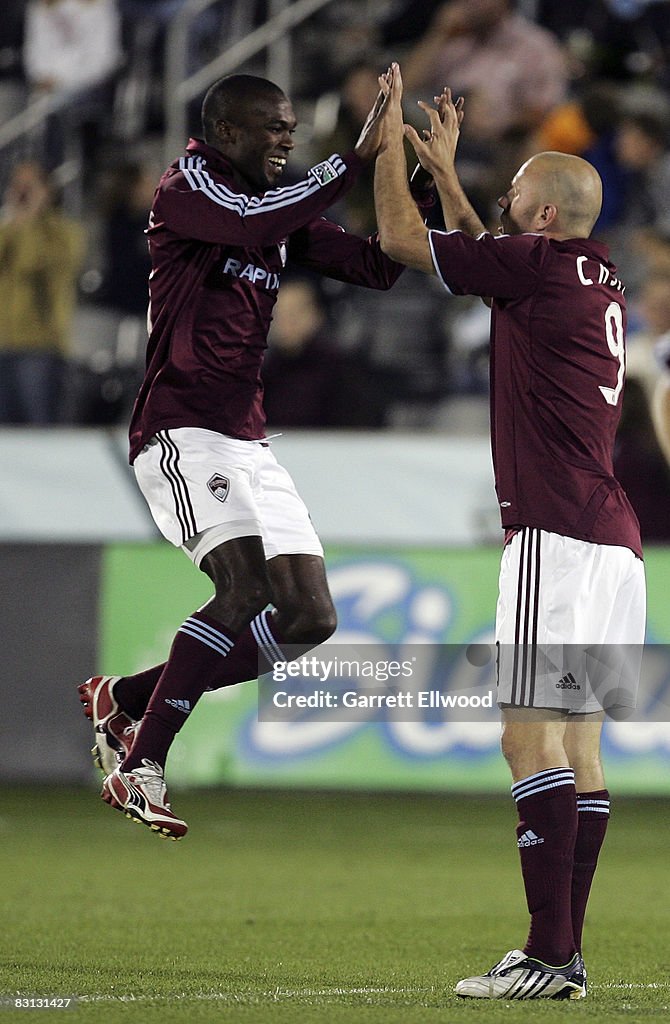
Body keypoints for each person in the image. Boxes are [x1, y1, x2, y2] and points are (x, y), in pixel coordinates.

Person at [78, 70, 420, 841]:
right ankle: (141, 762)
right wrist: (351, 158)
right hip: (181, 430)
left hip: (247, 439)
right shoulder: (189, 187)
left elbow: (376, 268)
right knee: (242, 588)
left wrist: (416, 180)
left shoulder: (271, 206)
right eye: (274, 128)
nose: (287, 140)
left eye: (293, 129)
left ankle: (126, 698)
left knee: (308, 616)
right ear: (227, 131)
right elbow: (247, 222)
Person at [373, 64, 646, 999]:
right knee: (580, 749)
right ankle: (563, 955)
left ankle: (549, 954)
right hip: (612, 538)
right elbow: (491, 259)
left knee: (528, 742)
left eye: (514, 191)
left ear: (544, 215)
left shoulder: (533, 267)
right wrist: (450, 176)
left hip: (556, 533)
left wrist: (390, 148)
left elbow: (400, 239)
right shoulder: (590, 272)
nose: (502, 198)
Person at [0, 160, 85, 424]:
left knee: (41, 428)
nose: (22, 193)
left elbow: (30, 263)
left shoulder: (65, 233)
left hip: (41, 346)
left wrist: (27, 221)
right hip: (3, 342)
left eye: (30, 186)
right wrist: (15, 222)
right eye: (18, 186)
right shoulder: (6, 230)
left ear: (47, 191)